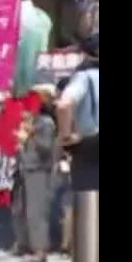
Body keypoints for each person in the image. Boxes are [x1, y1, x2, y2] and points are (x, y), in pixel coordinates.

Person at [13, 82, 58, 262]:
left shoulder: (45, 123)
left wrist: (31, 134)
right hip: (25, 168)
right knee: (20, 209)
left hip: (39, 170)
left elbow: (46, 148)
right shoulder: (28, 120)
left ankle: (40, 251)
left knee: (36, 211)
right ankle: (24, 244)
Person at [56, 33, 99, 195]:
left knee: (88, 203)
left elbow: (64, 105)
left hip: (90, 146)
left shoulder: (84, 77)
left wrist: (65, 135)